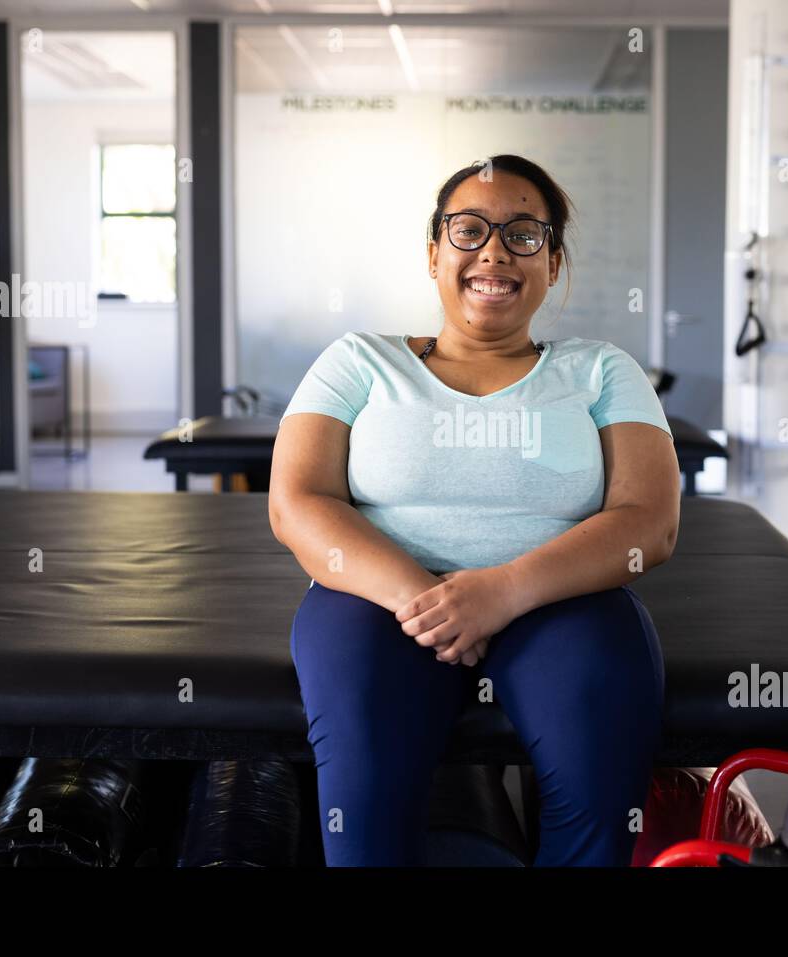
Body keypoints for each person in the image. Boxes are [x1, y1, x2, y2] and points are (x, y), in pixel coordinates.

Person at [268, 153, 680, 866]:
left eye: (524, 233)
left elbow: (650, 518)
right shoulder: (358, 360)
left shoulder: (601, 370)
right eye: (469, 230)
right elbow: (297, 501)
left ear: (552, 263)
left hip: (560, 597)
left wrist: (502, 590)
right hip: (378, 598)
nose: (494, 249)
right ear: (434, 254)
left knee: (598, 778)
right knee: (363, 795)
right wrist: (427, 599)